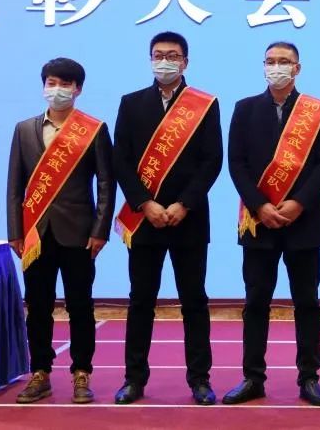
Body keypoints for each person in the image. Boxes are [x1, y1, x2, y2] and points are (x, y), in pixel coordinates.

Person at [113, 31, 223, 406]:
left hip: (188, 218)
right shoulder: (131, 103)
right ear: (150, 60)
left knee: (194, 301)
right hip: (145, 219)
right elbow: (121, 160)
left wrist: (184, 204)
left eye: (173, 55)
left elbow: (212, 159)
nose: (165, 61)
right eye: (158, 55)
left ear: (185, 62)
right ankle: (134, 379)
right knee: (140, 301)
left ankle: (200, 380)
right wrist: (145, 203)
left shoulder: (204, 105)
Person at [223, 42, 320, 407]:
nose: (276, 67)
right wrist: (260, 205)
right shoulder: (245, 108)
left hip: (304, 220)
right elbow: (236, 163)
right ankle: (252, 378)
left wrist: (299, 202)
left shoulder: (315, 111)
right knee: (256, 301)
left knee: (307, 302)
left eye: (284, 61)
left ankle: (309, 378)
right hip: (259, 222)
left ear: (297, 68)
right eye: (270, 61)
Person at [7, 58, 115, 404]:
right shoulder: (24, 129)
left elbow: (106, 183)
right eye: (51, 82)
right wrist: (15, 231)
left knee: (80, 305)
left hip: (79, 232)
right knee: (37, 306)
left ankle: (81, 373)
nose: (57, 89)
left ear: (77, 89)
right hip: (36, 234)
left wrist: (100, 230)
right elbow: (15, 187)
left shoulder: (93, 129)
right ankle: (40, 372)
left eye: (65, 84)